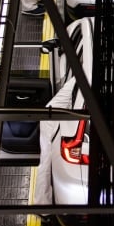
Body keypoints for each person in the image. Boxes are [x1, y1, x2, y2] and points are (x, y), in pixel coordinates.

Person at [34, 77, 77, 208]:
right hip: (51, 122)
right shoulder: (81, 80)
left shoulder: (80, 77)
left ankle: (43, 204)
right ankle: (42, 205)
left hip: (52, 117)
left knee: (46, 163)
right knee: (46, 163)